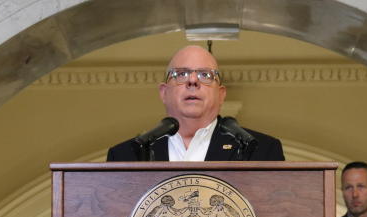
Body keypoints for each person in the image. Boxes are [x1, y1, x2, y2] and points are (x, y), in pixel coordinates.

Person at [106, 45, 285, 162]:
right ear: (164, 92)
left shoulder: (262, 151)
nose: (193, 81)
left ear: (221, 94)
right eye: (181, 74)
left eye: (205, 75)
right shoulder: (126, 155)